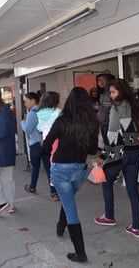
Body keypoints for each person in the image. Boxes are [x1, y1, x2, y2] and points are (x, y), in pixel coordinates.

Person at [43, 87, 99, 263]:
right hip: (80, 170)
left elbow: (45, 146)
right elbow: (92, 150)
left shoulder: (61, 122)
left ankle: (80, 253)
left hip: (60, 170)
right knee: (68, 200)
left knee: (71, 209)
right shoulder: (92, 123)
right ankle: (61, 225)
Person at [93, 78, 139, 238]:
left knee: (105, 180)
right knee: (133, 190)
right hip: (135, 151)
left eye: (113, 92)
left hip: (121, 153)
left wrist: (103, 156)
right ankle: (136, 227)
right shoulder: (134, 107)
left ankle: (109, 216)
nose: (112, 96)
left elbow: (112, 135)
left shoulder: (116, 108)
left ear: (120, 92)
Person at [20, 92, 49, 195]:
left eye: (26, 101)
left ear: (33, 100)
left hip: (36, 144)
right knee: (48, 168)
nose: (25, 104)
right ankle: (54, 192)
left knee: (35, 167)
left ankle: (32, 187)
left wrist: (23, 121)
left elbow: (28, 129)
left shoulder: (32, 113)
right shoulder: (45, 111)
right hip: (46, 143)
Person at [36, 91, 61, 201]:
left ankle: (53, 188)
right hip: (58, 141)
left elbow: (39, 128)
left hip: (46, 141)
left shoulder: (40, 112)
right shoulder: (59, 112)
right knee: (58, 163)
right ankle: (59, 188)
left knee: (49, 165)